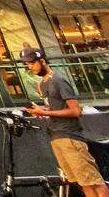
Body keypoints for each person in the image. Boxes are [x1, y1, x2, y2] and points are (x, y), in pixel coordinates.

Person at [23, 46, 109, 197]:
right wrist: (41, 110)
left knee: (94, 182)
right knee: (82, 183)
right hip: (57, 137)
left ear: (42, 61)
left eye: (33, 63)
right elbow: (55, 107)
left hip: (70, 137)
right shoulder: (42, 85)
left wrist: (44, 112)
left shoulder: (58, 80)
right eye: (28, 64)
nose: (30, 67)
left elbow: (76, 111)